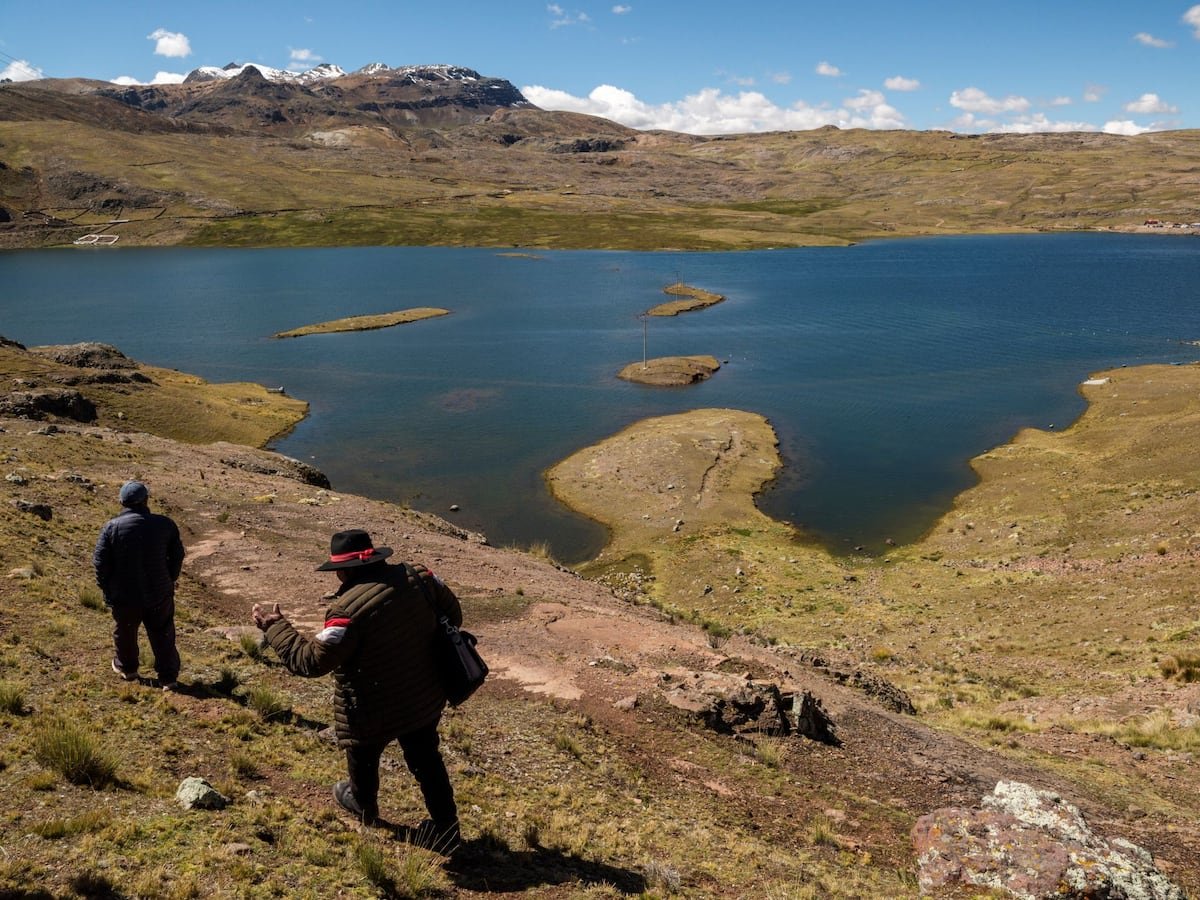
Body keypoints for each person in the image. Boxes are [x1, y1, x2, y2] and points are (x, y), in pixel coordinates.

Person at [252, 529, 463, 849]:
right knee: (425, 756)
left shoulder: (345, 613)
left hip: (370, 705)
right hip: (424, 693)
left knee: (363, 750)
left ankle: (363, 803)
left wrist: (275, 627)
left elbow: (310, 662)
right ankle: (447, 829)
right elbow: (454, 616)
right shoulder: (420, 577)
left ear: (343, 571)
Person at [93, 480, 185, 690]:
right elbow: (177, 554)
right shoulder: (165, 524)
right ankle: (168, 678)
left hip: (124, 595)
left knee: (125, 631)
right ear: (145, 500)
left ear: (122, 502)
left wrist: (107, 589)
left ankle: (128, 668)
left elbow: (100, 563)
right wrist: (170, 578)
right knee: (162, 632)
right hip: (159, 592)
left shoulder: (111, 527)